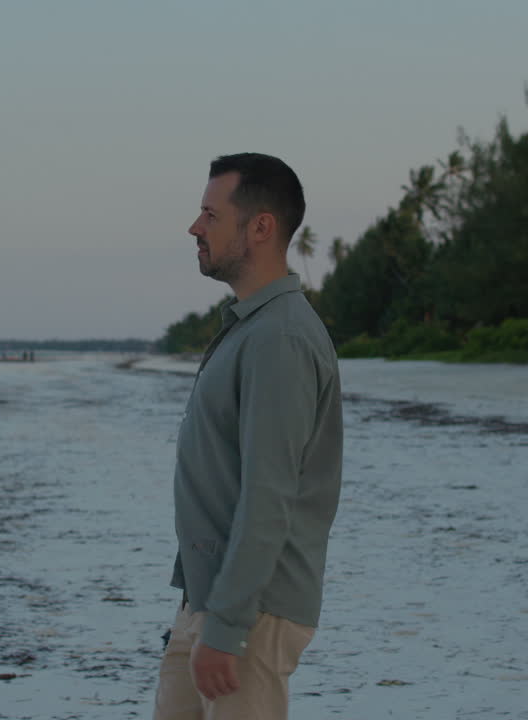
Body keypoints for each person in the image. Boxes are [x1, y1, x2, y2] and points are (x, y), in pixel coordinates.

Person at [152, 153, 344, 720]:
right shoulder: (252, 328)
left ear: (260, 227)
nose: (195, 228)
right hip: (212, 599)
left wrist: (229, 626)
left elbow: (270, 495)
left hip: (251, 610)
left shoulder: (279, 339)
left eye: (210, 215)